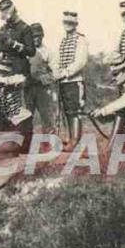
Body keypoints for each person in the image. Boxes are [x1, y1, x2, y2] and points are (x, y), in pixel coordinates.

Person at [52, 11, 89, 150]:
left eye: (71, 23)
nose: (68, 25)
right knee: (67, 111)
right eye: (65, 22)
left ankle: (76, 141)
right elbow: (57, 60)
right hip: (63, 82)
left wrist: (65, 73)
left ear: (76, 24)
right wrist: (56, 73)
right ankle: (70, 138)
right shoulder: (63, 40)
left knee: (75, 111)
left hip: (75, 81)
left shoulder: (80, 39)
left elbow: (80, 61)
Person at [0, 0, 36, 77]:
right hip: (4, 67)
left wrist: (14, 44)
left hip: (20, 68)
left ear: (15, 12)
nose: (7, 20)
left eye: (9, 17)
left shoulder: (25, 28)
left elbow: (31, 51)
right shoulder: (3, 28)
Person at [26, 22, 56, 135]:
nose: (36, 39)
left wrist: (46, 78)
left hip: (42, 88)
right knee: (26, 117)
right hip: (27, 88)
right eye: (33, 36)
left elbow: (54, 71)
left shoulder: (48, 51)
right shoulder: (25, 51)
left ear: (42, 36)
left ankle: (48, 143)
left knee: (46, 116)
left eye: (38, 36)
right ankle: (26, 143)